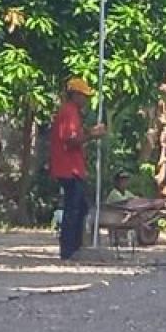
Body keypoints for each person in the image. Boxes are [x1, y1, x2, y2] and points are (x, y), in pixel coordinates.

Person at [50, 78, 106, 260]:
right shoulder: (69, 112)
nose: (86, 100)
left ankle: (74, 247)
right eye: (83, 96)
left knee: (80, 208)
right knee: (73, 209)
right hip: (69, 169)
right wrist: (92, 134)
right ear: (75, 95)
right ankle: (68, 250)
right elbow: (71, 140)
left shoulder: (71, 112)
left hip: (71, 167)